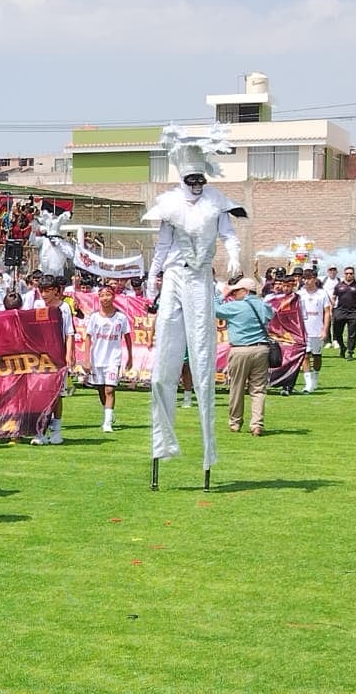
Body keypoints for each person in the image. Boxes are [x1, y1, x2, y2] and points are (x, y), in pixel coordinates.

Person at [143, 126, 244, 487]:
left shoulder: (217, 202)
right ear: (183, 178)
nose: (198, 183)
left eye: (202, 178)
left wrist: (235, 258)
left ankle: (207, 451)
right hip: (174, 277)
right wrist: (153, 278)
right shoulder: (170, 204)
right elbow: (162, 245)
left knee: (202, 359)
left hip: (200, 278)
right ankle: (162, 444)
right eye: (192, 178)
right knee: (161, 371)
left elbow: (229, 235)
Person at [214, 277, 272, 436]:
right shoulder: (263, 305)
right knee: (259, 390)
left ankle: (235, 422)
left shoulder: (235, 306)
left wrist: (222, 295)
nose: (233, 294)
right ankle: (257, 425)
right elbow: (270, 315)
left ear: (245, 291)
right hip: (261, 349)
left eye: (236, 291)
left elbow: (213, 309)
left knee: (237, 387)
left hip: (240, 350)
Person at [84, 286, 134, 433]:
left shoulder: (121, 317)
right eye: (102, 295)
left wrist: (130, 357)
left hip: (113, 359)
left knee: (110, 389)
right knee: (101, 389)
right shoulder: (94, 317)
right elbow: (88, 337)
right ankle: (109, 413)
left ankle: (107, 423)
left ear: (113, 297)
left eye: (108, 295)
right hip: (97, 358)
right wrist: (86, 359)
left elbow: (127, 337)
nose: (105, 298)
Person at [32, 275, 74, 446]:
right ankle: (40, 431)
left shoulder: (64, 308)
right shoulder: (37, 305)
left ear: (56, 291)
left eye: (47, 290)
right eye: (41, 290)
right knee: (39, 394)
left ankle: (56, 430)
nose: (44, 294)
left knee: (56, 395)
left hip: (57, 355)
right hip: (40, 357)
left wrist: (69, 355)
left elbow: (69, 333)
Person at [297, 270, 331, 393]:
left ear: (315, 279)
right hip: (304, 330)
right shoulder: (300, 294)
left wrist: (325, 329)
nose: (306, 281)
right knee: (305, 355)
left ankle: (315, 377)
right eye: (304, 278)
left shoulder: (322, 294)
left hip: (317, 329)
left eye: (309, 278)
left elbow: (327, 312)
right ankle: (308, 384)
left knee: (317, 356)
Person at [331, 265, 356, 360]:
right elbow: (333, 298)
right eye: (347, 273)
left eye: (351, 273)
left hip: (353, 313)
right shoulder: (339, 286)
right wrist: (331, 311)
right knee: (337, 334)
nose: (349, 275)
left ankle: (350, 352)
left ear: (353, 274)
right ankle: (342, 347)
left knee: (352, 334)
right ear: (344, 274)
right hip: (340, 312)